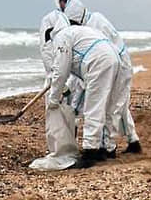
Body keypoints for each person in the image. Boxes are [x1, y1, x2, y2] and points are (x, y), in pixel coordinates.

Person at [63, 0, 142, 155]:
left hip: (117, 66)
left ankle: (107, 147)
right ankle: (133, 141)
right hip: (117, 63)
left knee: (110, 106)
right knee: (119, 105)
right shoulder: (95, 19)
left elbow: (96, 57)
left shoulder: (93, 25)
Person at [48, 21, 121, 169]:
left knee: (93, 107)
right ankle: (107, 147)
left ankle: (90, 152)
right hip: (113, 58)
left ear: (50, 38)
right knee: (106, 106)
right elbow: (69, 69)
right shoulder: (75, 32)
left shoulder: (60, 38)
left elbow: (61, 71)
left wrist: (53, 99)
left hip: (98, 62)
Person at [32, 10, 79, 170]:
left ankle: (62, 152)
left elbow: (47, 52)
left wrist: (53, 80)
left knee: (58, 113)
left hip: (60, 74)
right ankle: (68, 148)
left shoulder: (50, 21)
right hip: (66, 73)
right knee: (69, 112)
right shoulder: (66, 22)